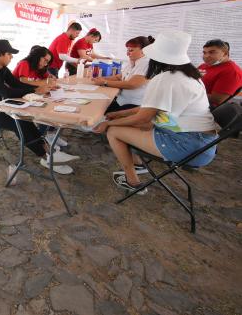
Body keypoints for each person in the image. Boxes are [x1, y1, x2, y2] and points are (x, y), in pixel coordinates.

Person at [93, 30, 217, 193]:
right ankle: (137, 164)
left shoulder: (164, 79)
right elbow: (150, 109)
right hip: (204, 145)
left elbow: (142, 118)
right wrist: (118, 114)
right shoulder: (191, 75)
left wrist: (109, 123)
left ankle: (132, 181)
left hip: (188, 146)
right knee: (130, 126)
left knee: (114, 131)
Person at [0, 39, 79, 174]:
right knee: (17, 122)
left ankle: (49, 151)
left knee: (24, 117)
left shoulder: (1, 68)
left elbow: (16, 84)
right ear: (0, 55)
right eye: (9, 54)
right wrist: (36, 90)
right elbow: (6, 92)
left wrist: (37, 89)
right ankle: (46, 157)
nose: (11, 57)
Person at [12, 45, 69, 147]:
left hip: (31, 95)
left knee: (54, 106)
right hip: (17, 96)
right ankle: (43, 137)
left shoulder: (41, 67)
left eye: (48, 62)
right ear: (37, 56)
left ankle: (49, 134)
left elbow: (49, 79)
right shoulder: (24, 63)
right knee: (46, 110)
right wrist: (45, 83)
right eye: (45, 60)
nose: (46, 64)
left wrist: (51, 81)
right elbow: (23, 81)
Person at [93, 35, 154, 113]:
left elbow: (132, 84)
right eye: (127, 50)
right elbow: (119, 77)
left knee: (98, 110)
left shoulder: (146, 63)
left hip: (133, 104)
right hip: (122, 100)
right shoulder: (134, 61)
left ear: (144, 51)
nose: (127, 53)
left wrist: (105, 82)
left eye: (131, 50)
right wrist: (102, 78)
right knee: (97, 105)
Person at [197, 39, 242, 107]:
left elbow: (216, 99)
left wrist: (191, 93)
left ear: (225, 53)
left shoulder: (232, 72)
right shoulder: (205, 65)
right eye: (204, 53)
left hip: (204, 106)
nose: (206, 56)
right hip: (193, 98)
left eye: (212, 52)